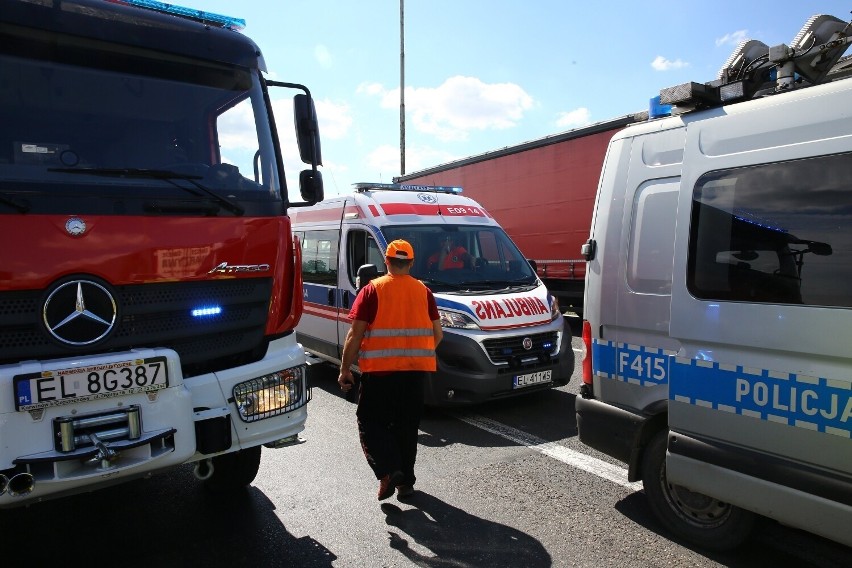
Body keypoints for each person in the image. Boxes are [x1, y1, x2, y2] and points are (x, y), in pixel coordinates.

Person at [338, 239, 443, 501]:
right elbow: (437, 334)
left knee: (370, 422)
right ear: (411, 262)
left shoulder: (372, 290)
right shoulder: (423, 291)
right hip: (415, 374)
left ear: (386, 261)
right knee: (407, 427)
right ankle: (405, 484)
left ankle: (388, 470)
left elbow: (355, 335)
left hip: (381, 374)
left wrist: (344, 370)